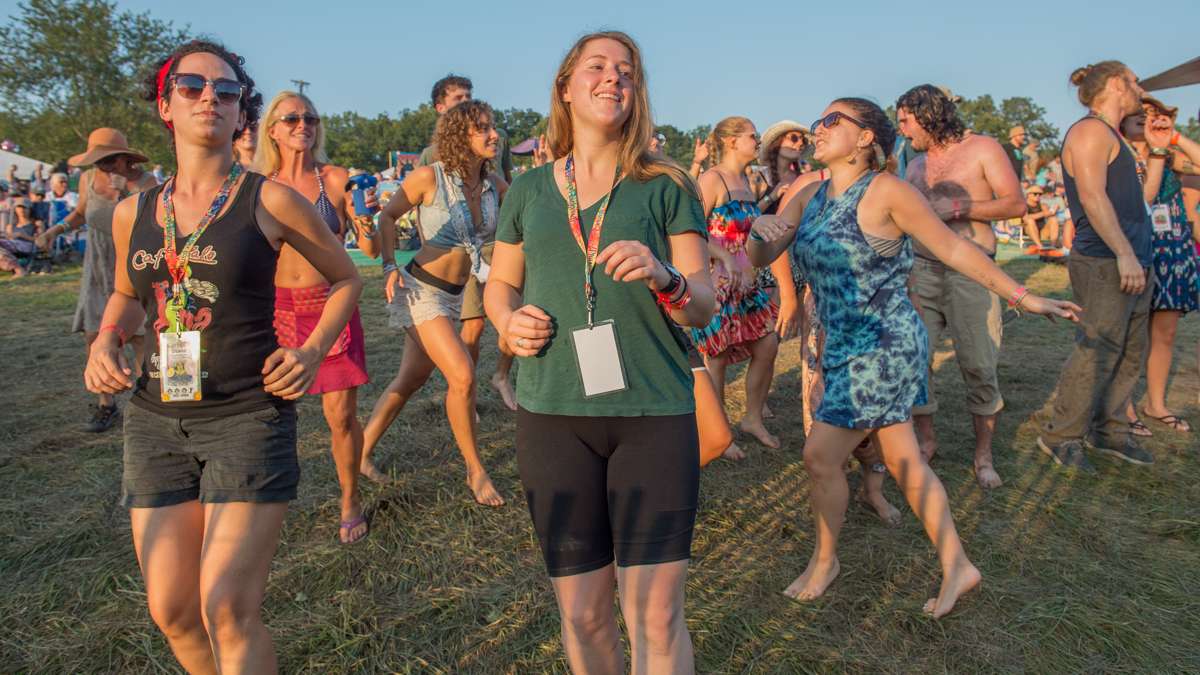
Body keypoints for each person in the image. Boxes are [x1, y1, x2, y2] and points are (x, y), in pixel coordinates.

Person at [85, 40, 361, 673]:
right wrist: (106, 337)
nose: (211, 96)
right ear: (166, 106)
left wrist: (313, 350)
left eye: (228, 90)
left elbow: (347, 278)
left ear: (242, 115)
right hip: (155, 420)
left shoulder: (269, 200)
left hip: (248, 416)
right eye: (192, 86)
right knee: (173, 611)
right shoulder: (134, 213)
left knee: (226, 606)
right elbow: (131, 295)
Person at [748, 97, 1078, 616]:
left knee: (820, 456)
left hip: (884, 345)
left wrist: (1024, 296)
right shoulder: (806, 192)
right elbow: (763, 256)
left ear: (865, 138)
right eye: (819, 120)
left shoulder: (888, 191)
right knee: (904, 459)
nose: (819, 128)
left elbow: (952, 249)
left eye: (833, 120)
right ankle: (958, 565)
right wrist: (758, 235)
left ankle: (824, 561)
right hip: (839, 343)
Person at [484, 31, 716, 673]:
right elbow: (500, 282)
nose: (614, 78)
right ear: (565, 86)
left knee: (656, 619)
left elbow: (703, 303)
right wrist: (505, 319)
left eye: (627, 71)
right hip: (553, 415)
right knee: (584, 614)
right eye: (597, 66)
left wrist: (664, 274)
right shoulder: (528, 191)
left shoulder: (665, 185)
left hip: (654, 415)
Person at [362, 99, 506, 506]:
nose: (493, 134)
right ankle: (476, 471)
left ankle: (361, 449)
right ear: (461, 136)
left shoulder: (495, 185)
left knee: (411, 379)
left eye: (492, 126)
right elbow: (387, 217)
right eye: (483, 128)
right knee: (462, 375)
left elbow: (523, 221)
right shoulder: (429, 178)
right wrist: (389, 265)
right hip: (419, 290)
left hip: (456, 296)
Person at [256, 90, 380, 544]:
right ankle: (259, 499)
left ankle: (350, 499)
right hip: (274, 311)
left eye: (309, 117)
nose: (301, 125)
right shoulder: (258, 183)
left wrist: (366, 222)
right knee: (265, 412)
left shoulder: (335, 179)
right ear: (272, 129)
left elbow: (367, 249)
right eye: (290, 118)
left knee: (340, 416)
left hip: (329, 305)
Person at [895, 85, 1026, 488]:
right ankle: (926, 440)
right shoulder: (915, 166)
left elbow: (1015, 204)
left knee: (979, 364)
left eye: (905, 120)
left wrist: (960, 207)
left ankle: (983, 454)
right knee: (917, 361)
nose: (901, 130)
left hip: (973, 273)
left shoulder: (984, 148)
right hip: (923, 273)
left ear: (928, 114)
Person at [1038, 61, 1156, 469]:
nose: (1141, 86)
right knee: (1098, 348)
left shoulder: (1116, 136)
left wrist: (1156, 149)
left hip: (1134, 257)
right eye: (1135, 80)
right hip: (1106, 259)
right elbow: (1092, 198)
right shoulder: (1089, 132)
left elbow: (1138, 200)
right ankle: (1062, 436)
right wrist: (1124, 253)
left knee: (1130, 350)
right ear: (1116, 84)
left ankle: (1110, 431)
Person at [37, 128, 158, 431]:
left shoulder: (146, 182)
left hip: (132, 263)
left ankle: (152, 404)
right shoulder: (89, 179)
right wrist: (55, 231)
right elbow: (80, 213)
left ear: (124, 159)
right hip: (97, 265)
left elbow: (156, 221)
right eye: (98, 162)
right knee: (95, 335)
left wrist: (127, 191)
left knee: (141, 338)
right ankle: (106, 405)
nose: (101, 167)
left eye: (107, 161)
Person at [416, 74, 518, 412]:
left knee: (514, 312)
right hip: (458, 251)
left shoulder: (496, 139)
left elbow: (506, 186)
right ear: (441, 107)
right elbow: (422, 204)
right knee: (472, 324)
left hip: (495, 242)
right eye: (458, 97)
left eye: (469, 95)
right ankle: (464, 391)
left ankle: (501, 375)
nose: (466, 101)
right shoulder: (431, 154)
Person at [692, 116, 780, 448]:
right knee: (716, 356)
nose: (758, 141)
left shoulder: (746, 180)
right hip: (718, 284)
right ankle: (719, 433)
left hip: (748, 284)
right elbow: (689, 230)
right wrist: (725, 257)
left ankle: (753, 417)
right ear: (730, 141)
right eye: (752, 136)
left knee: (767, 345)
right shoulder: (712, 180)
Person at [1118, 96, 1200, 435]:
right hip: (1136, 246)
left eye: (1155, 116)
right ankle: (1123, 408)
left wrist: (1175, 138)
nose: (1149, 121)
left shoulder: (1170, 158)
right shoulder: (1117, 154)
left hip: (1174, 247)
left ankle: (1156, 403)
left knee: (1164, 333)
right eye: (1141, 116)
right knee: (1129, 334)